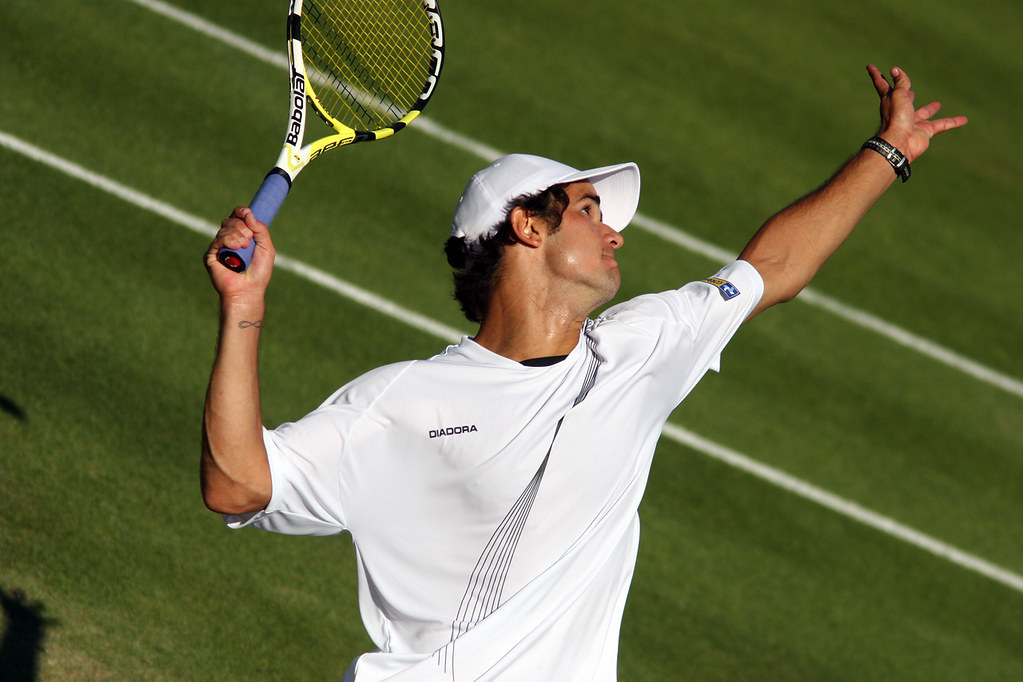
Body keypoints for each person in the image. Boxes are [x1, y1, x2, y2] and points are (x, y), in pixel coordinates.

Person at [201, 65, 966, 680]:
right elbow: (238, 484)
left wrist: (888, 151)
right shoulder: (402, 402)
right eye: (590, 211)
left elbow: (773, 266)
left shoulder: (640, 349)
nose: (614, 235)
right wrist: (244, 306)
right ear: (526, 226)